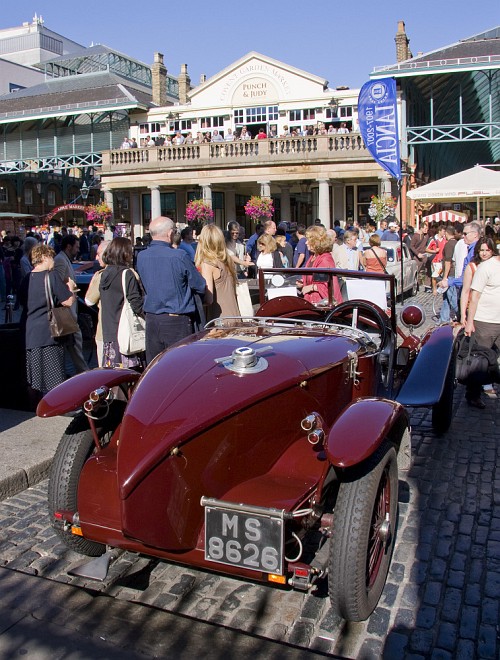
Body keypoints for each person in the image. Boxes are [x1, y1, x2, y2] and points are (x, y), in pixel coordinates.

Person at [136, 216, 206, 364]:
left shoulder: (141, 256)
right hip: (177, 320)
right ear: (169, 234)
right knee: (180, 368)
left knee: (155, 367)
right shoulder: (178, 256)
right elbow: (199, 284)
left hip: (152, 319)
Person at [24, 244, 75, 407]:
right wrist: (71, 289)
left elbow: (21, 303)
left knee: (34, 376)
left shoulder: (26, 279)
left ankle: (36, 407)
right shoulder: (51, 276)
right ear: (45, 257)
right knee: (55, 374)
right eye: (51, 257)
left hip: (31, 332)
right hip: (50, 330)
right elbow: (67, 301)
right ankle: (57, 406)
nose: (53, 260)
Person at [463, 240, 500, 409]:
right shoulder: (486, 267)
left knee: (494, 361)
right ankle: (473, 394)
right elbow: (474, 295)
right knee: (480, 361)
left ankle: (490, 382)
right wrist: (469, 321)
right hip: (485, 321)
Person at [99, 237, 145, 369]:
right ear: (124, 253)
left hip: (109, 332)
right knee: (130, 375)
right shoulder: (126, 273)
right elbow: (136, 303)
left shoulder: (105, 274)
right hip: (125, 331)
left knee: (114, 376)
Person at [53, 234, 88, 374]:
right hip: (65, 310)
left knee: (73, 343)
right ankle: (83, 372)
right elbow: (58, 282)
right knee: (74, 342)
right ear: (69, 246)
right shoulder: (60, 260)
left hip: (68, 310)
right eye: (77, 246)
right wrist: (71, 288)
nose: (78, 250)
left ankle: (79, 371)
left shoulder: (63, 259)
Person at [195, 224, 239, 321]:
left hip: (218, 320)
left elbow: (209, 299)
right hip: (234, 315)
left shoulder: (208, 264)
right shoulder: (227, 260)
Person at [296, 226, 342, 305]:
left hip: (322, 305)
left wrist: (311, 287)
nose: (306, 242)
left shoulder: (325, 259)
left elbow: (327, 286)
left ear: (316, 241)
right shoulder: (313, 256)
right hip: (312, 301)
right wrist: (303, 282)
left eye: (308, 240)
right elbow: (313, 278)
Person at [84, 240, 110, 367]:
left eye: (98, 254)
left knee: (106, 369)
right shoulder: (129, 272)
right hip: (125, 331)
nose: (96, 257)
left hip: (105, 330)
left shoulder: (100, 276)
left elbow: (89, 301)